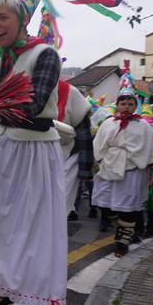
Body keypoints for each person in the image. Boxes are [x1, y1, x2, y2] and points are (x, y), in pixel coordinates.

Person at [0, 0, 65, 305]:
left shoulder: (45, 54)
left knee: (29, 225)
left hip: (31, 151)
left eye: (3, 17)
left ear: (22, 19)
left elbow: (34, 104)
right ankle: (0, 288)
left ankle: (33, 292)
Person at [92, 66, 153, 257]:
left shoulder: (144, 127)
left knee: (128, 211)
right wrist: (95, 167)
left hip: (132, 173)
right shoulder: (108, 123)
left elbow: (152, 153)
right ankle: (125, 231)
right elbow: (98, 147)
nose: (126, 107)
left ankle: (122, 242)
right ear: (117, 105)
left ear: (135, 106)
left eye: (130, 104)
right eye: (123, 103)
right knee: (104, 206)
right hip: (108, 169)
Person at [55, 80, 94, 221]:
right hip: (33, 157)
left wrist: (85, 170)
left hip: (67, 157)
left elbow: (84, 135)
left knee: (57, 208)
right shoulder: (24, 88)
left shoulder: (71, 93)